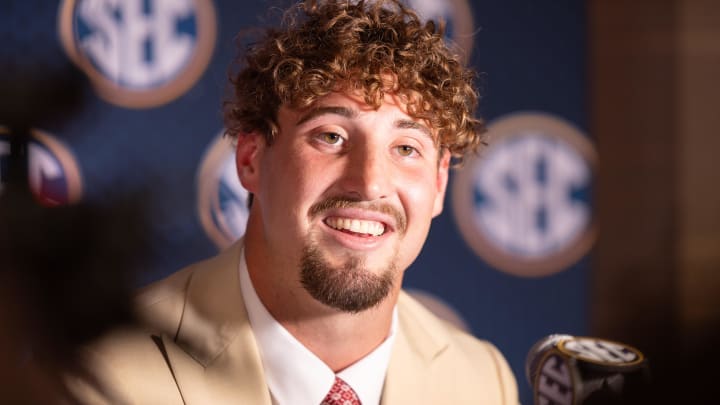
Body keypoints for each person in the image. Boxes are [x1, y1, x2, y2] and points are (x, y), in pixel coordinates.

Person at [69, 0, 518, 403]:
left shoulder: (482, 380)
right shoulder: (103, 373)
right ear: (250, 160)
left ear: (439, 185)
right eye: (331, 136)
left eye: (406, 148)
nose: (369, 184)